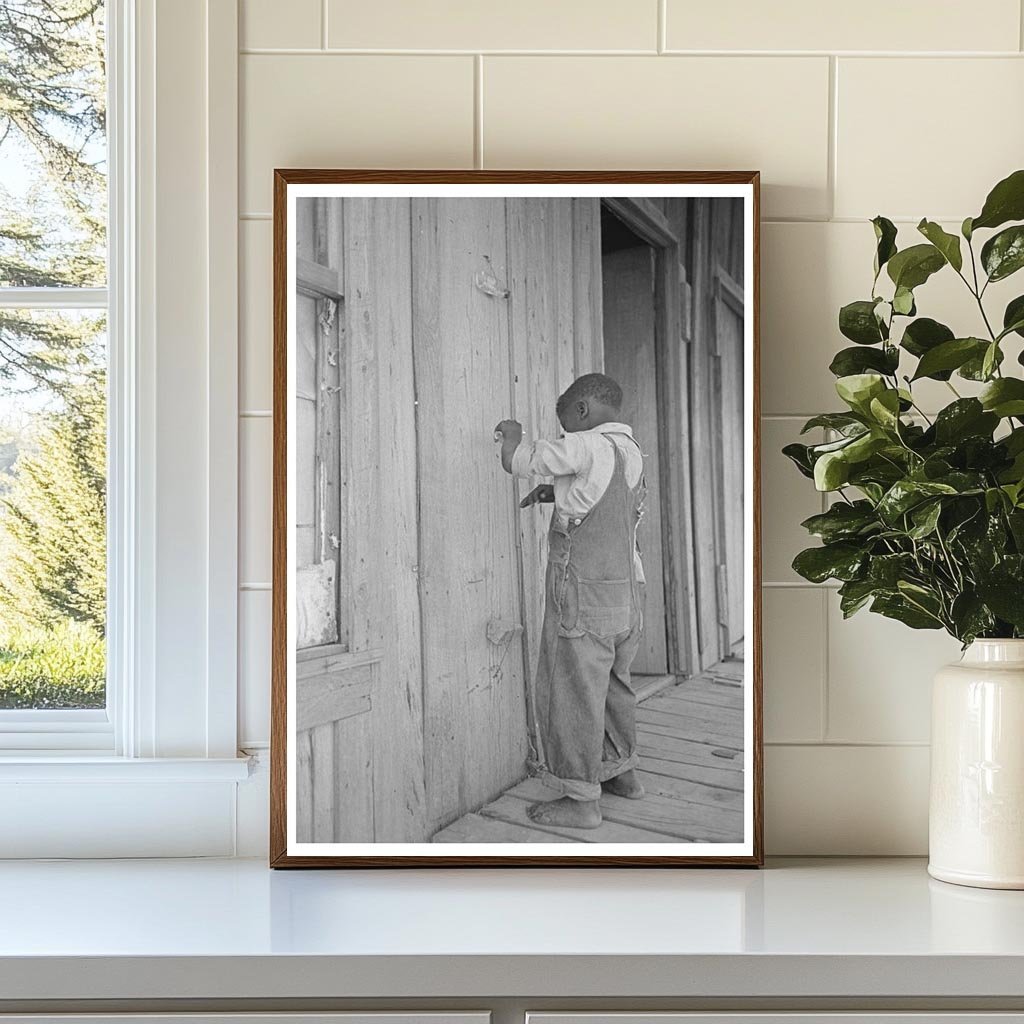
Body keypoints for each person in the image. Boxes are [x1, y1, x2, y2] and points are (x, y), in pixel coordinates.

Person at [495, 372, 646, 829]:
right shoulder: (632, 453)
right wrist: (556, 493)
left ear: (581, 412)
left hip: (583, 594)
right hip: (627, 597)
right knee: (615, 686)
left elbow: (521, 460)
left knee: (573, 690)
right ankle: (623, 773)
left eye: (565, 424)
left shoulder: (586, 444)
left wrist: (513, 436)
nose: (565, 434)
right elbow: (605, 501)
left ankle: (582, 800)